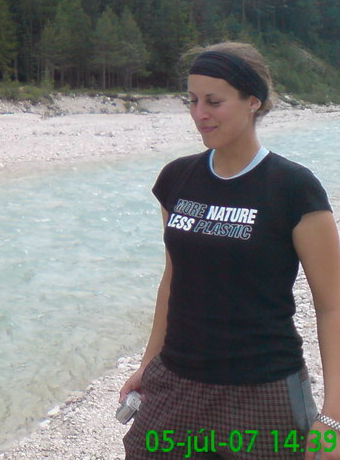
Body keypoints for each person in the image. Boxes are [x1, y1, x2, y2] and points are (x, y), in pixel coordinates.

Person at [120, 41, 340, 459]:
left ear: (253, 101)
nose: (199, 114)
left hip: (263, 393)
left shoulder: (294, 188)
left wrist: (333, 418)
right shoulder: (176, 179)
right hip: (176, 385)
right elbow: (174, 279)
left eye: (214, 102)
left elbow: (333, 306)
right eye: (193, 100)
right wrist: (148, 365)